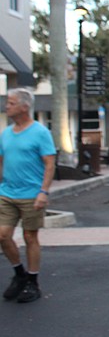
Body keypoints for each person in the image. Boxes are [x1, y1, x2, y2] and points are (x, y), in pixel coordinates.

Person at [0, 88, 56, 303]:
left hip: (31, 195)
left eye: (11, 103)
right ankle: (19, 274)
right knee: (3, 235)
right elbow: (1, 162)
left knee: (29, 237)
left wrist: (43, 192)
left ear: (25, 106)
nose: (7, 106)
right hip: (6, 193)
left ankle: (33, 282)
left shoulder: (40, 133)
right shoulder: (5, 133)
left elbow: (49, 164)